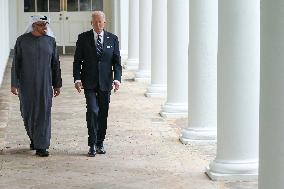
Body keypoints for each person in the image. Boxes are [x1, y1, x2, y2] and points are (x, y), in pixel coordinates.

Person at [11, 15, 62, 157]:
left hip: (45, 84)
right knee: (27, 113)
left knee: (44, 113)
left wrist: (57, 84)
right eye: (41, 25)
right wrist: (14, 83)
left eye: (46, 24)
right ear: (33, 25)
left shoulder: (51, 41)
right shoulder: (22, 41)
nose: (45, 27)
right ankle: (34, 138)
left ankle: (42, 146)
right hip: (25, 84)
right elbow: (16, 63)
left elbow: (55, 64)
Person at [73, 11, 122, 157]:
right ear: (91, 23)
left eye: (100, 22)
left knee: (103, 113)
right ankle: (92, 144)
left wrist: (117, 79)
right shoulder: (83, 38)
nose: (97, 24)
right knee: (93, 111)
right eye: (95, 22)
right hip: (88, 82)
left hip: (106, 83)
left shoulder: (112, 39)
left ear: (104, 23)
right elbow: (77, 61)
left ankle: (100, 143)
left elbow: (117, 63)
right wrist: (77, 79)